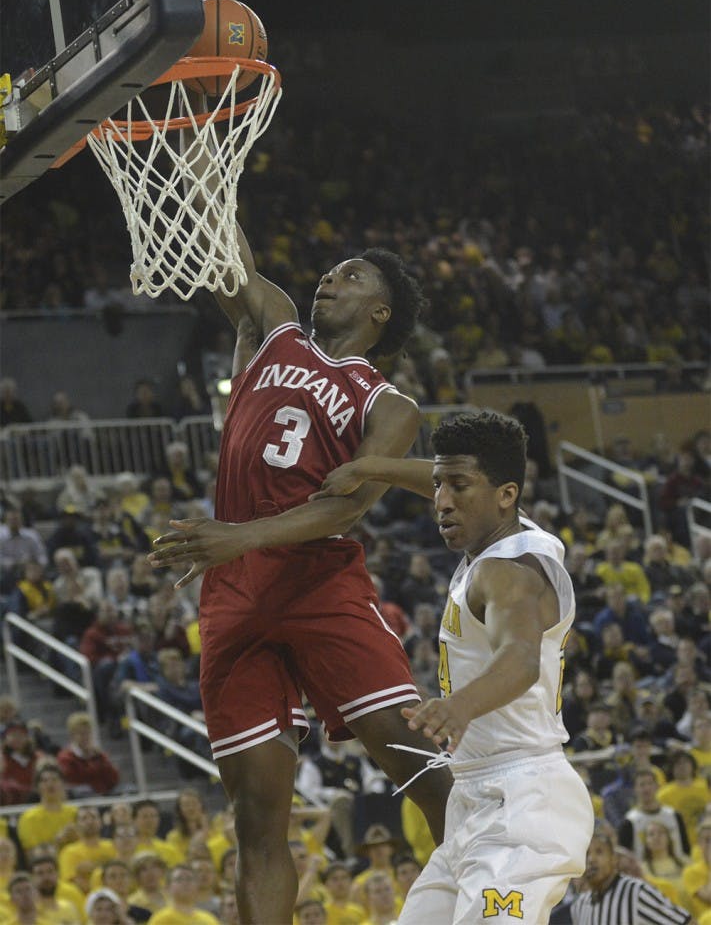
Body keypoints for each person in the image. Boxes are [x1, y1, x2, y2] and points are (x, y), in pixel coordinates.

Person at [147, 211, 453, 925]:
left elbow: (341, 509)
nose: (330, 278)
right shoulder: (275, 328)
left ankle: (488, 907)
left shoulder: (389, 405)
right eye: (331, 270)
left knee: (421, 768)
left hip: (317, 581)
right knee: (256, 826)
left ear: (380, 311)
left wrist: (240, 538)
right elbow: (226, 257)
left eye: (352, 276)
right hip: (233, 588)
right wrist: (202, 172)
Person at [314, 410, 595, 923]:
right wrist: (374, 466)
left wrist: (460, 706)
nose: (441, 500)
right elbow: (451, 477)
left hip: (524, 799)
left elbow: (520, 659)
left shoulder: (509, 573)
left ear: (506, 495)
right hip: (474, 798)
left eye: (457, 487)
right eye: (439, 484)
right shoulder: (509, 531)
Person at [571, 831, 691, 924]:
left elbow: (686, 922)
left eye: (599, 852)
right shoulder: (579, 905)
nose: (591, 859)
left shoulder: (637, 892)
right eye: (586, 854)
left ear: (614, 859)